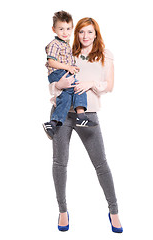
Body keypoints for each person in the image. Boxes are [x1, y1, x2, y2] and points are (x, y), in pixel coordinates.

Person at [48, 17, 123, 233]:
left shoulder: (104, 56)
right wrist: (57, 85)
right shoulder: (67, 53)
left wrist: (91, 84)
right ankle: (63, 211)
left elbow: (109, 85)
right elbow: (53, 83)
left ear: (96, 33)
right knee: (59, 163)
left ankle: (114, 211)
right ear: (76, 34)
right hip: (62, 114)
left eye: (89, 32)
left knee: (101, 164)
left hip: (87, 115)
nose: (85, 36)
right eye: (81, 32)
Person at [43, 11, 97, 140]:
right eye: (61, 29)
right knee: (78, 87)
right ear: (54, 29)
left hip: (63, 72)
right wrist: (68, 68)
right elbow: (51, 61)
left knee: (66, 98)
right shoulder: (55, 44)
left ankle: (53, 123)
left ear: (72, 29)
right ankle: (81, 116)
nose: (65, 32)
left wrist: (72, 66)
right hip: (58, 73)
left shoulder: (66, 45)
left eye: (68, 29)